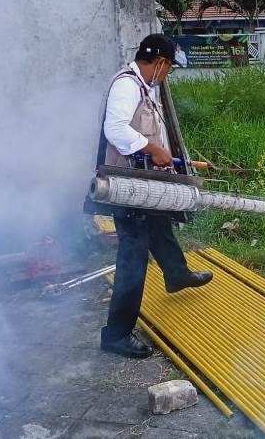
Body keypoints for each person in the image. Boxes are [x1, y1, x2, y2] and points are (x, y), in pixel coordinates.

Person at [95, 33, 212, 359]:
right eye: (169, 68)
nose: (168, 75)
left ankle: (176, 274)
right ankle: (116, 334)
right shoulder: (127, 86)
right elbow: (115, 130)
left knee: (160, 225)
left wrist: (164, 153)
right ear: (159, 62)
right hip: (127, 186)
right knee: (133, 256)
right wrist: (151, 148)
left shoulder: (144, 89)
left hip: (145, 182)